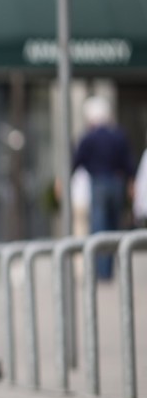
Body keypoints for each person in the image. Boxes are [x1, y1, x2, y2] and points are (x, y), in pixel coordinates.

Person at [72, 96, 136, 279]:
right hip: (116, 183)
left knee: (99, 227)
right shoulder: (118, 135)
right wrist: (131, 183)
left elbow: (77, 161)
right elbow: (128, 163)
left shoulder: (89, 137)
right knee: (114, 227)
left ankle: (101, 272)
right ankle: (110, 271)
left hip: (98, 182)